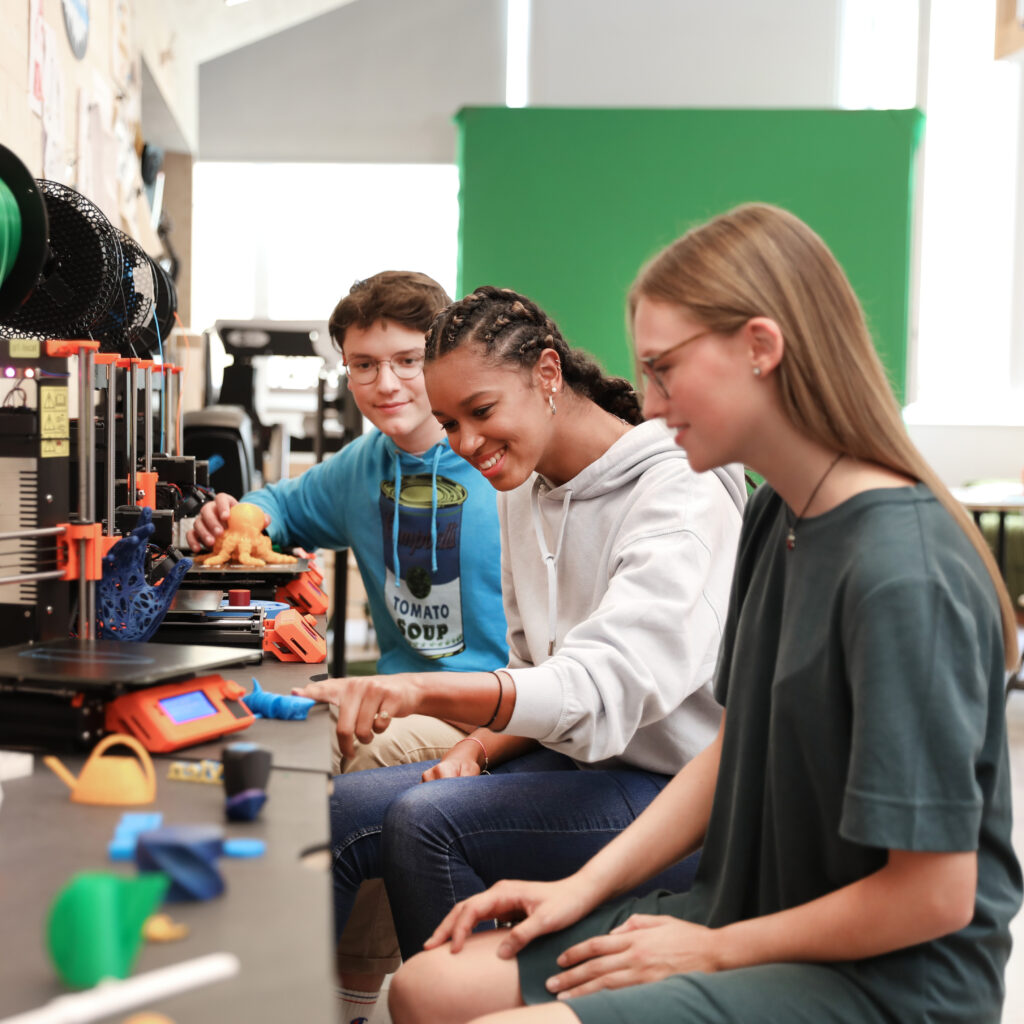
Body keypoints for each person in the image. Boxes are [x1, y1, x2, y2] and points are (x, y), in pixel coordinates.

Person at [388, 204, 1024, 1024]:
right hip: (740, 913)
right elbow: (731, 749)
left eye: (664, 370)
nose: (648, 405)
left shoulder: (904, 572)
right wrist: (576, 888)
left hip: (882, 979)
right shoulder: (777, 515)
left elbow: (933, 898)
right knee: (424, 990)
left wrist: (712, 950)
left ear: (761, 348)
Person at [295, 286, 745, 975]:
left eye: (480, 412)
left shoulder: (679, 492)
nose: (467, 444)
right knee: (339, 811)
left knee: (426, 823)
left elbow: (599, 694)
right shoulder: (526, 488)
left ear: (547, 374)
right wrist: (476, 748)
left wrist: (422, 692)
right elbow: (538, 672)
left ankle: (463, 998)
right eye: (449, 424)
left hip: (676, 791)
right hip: (579, 765)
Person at [186, 270, 509, 1024]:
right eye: (364, 365)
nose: (385, 383)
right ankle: (246, 965)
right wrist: (240, 517)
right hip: (400, 695)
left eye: (405, 360)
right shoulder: (364, 466)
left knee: (357, 753)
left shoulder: (502, 461)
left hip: (496, 711)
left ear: (441, 357)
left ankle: (339, 999)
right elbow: (282, 502)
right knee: (273, 739)